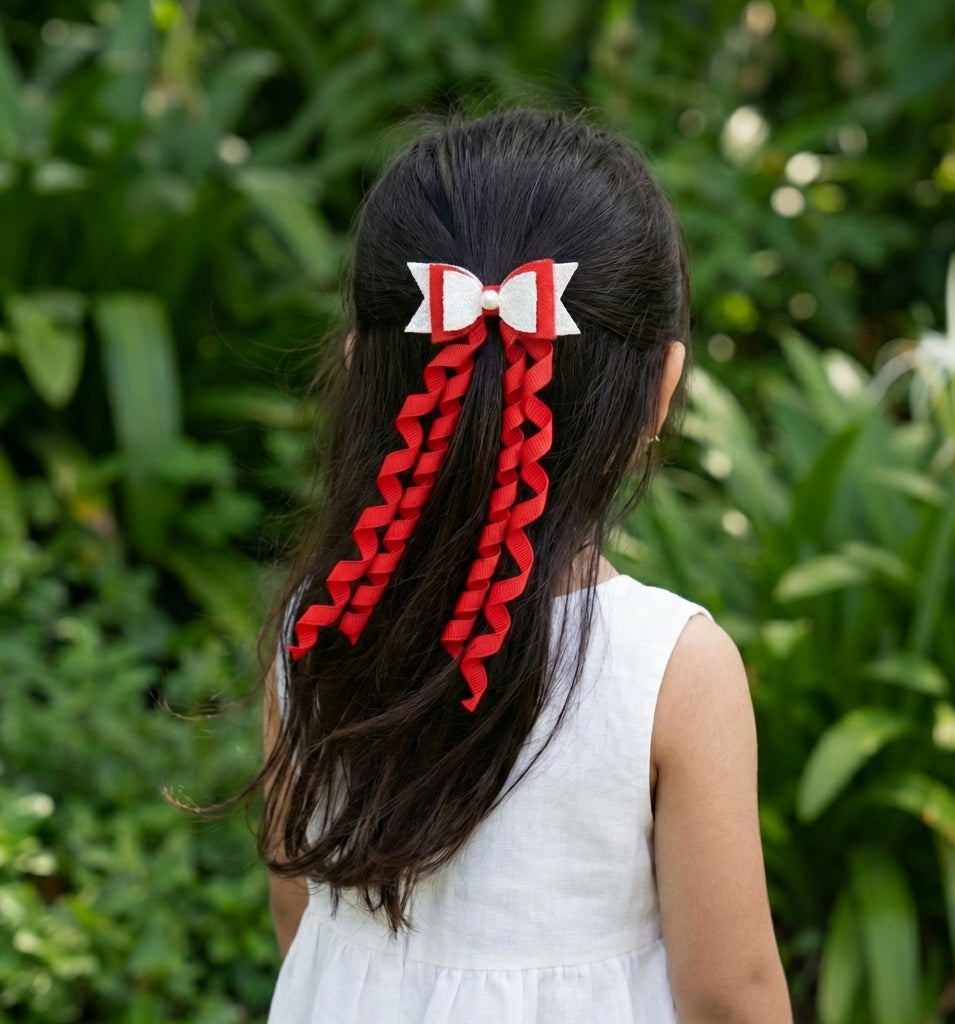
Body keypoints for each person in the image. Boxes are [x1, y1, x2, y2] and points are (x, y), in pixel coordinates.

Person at [258, 109, 792, 1023]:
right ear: (659, 388)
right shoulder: (673, 671)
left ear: (363, 371)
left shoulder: (322, 620)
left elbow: (298, 909)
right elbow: (731, 999)